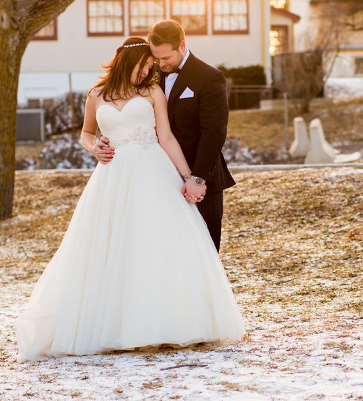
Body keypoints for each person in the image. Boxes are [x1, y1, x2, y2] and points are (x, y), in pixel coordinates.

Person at [16, 37, 244, 362]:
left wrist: (189, 177)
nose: (149, 71)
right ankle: (114, 325)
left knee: (155, 244)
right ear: (128, 61)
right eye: (145, 65)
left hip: (153, 173)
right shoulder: (96, 94)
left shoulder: (152, 92)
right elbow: (86, 133)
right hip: (113, 176)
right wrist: (94, 148)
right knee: (111, 246)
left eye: (152, 66)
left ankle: (166, 322)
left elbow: (166, 137)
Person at [93, 20, 235, 251]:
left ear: (182, 45)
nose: (160, 64)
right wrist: (108, 138)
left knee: (204, 248)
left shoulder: (209, 77)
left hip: (199, 174)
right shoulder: (149, 75)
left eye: (166, 58)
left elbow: (214, 133)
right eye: (156, 59)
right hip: (155, 175)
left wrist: (197, 178)